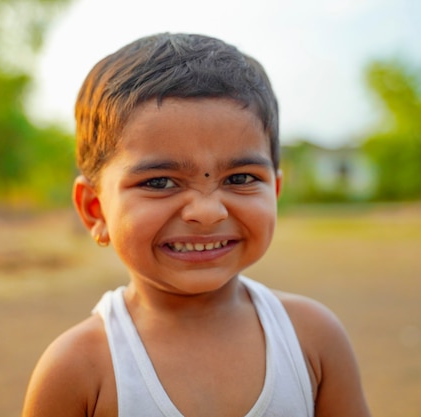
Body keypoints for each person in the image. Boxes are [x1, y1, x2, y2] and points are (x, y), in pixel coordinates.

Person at [21, 33, 371, 417]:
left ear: (275, 190)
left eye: (240, 178)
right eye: (159, 182)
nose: (207, 212)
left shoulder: (313, 338)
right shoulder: (78, 369)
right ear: (95, 210)